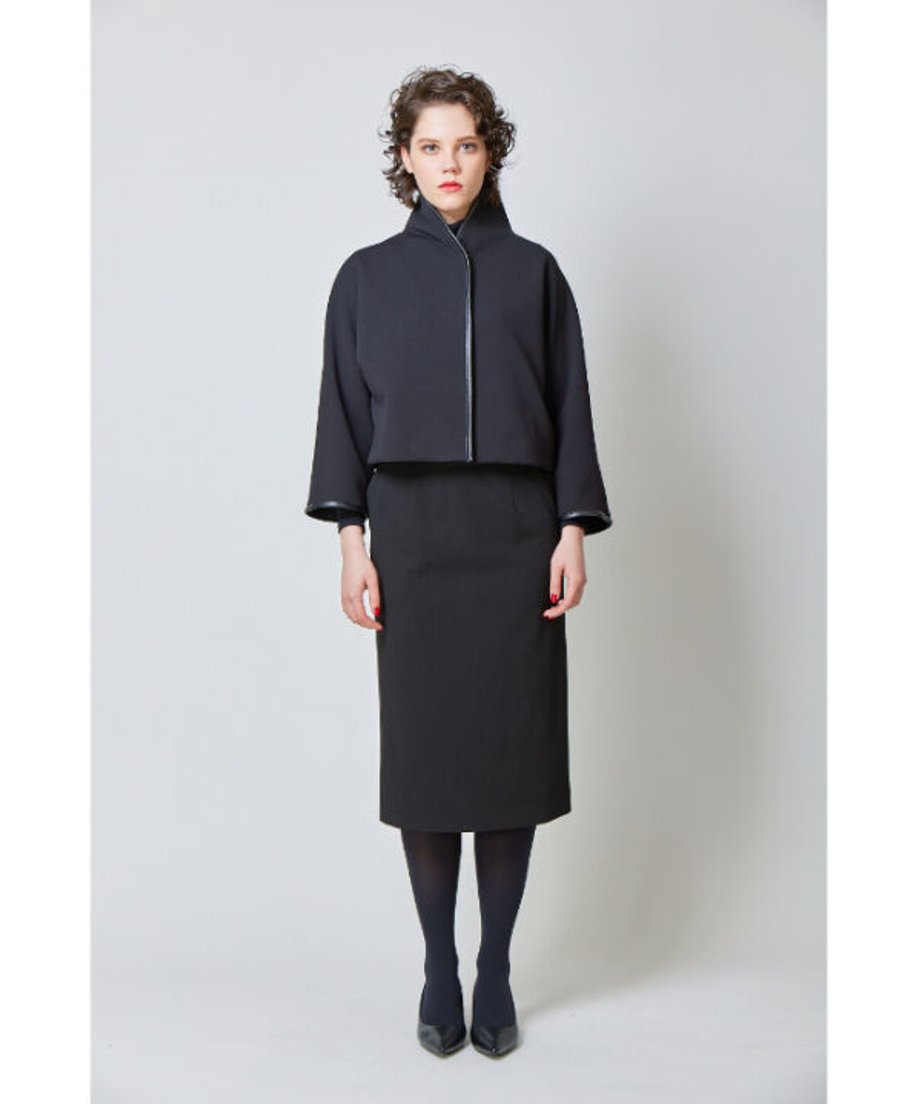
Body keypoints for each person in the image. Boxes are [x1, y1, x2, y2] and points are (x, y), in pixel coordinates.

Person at [304, 66, 612, 1059]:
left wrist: (571, 528)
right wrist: (352, 543)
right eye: (430, 146)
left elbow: (569, 404)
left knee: (509, 762)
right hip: (414, 540)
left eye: (466, 144)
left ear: (490, 153)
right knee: (431, 764)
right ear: (403, 157)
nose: (449, 163)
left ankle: (497, 970)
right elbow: (342, 417)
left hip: (517, 536)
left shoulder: (536, 273)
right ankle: (439, 966)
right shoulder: (364, 278)